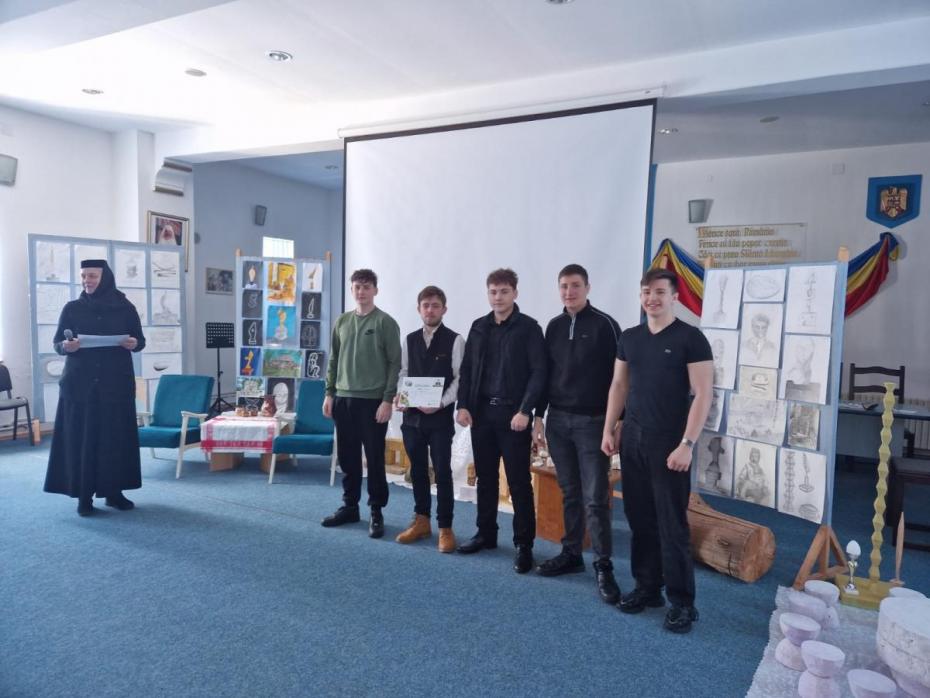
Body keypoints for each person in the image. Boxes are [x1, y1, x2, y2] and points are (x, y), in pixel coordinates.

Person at [601, 268, 713, 633]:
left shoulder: (691, 338)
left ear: (675, 297)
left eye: (660, 292)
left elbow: (703, 394)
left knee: (671, 524)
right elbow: (619, 385)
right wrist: (609, 428)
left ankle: (683, 602)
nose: (652, 298)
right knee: (640, 519)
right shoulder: (630, 337)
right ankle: (647, 587)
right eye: (647, 292)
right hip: (633, 439)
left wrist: (687, 444)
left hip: (670, 443)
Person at [533, 264, 622, 604]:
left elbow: (620, 378)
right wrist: (538, 416)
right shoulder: (554, 327)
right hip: (558, 421)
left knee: (595, 497)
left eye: (575, 285)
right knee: (569, 492)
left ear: (587, 288)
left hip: (593, 423)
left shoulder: (605, 325)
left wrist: (617, 422)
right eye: (564, 286)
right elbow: (545, 375)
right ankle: (572, 553)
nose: (569, 292)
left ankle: (603, 565)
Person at [456, 268, 546, 573]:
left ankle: (524, 544)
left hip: (513, 417)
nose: (498, 297)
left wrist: (526, 410)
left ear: (515, 293)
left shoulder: (529, 328)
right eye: (493, 292)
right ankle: (486, 534)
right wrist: (463, 405)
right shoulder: (479, 327)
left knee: (519, 482)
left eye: (504, 291)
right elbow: (467, 370)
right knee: (485, 478)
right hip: (481, 414)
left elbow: (539, 373)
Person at [44, 260, 146, 516]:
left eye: (92, 276)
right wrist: (66, 347)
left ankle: (114, 492)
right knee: (84, 440)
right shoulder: (72, 308)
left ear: (105, 278)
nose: (86, 281)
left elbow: (140, 340)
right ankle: (84, 497)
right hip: (80, 385)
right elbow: (57, 343)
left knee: (114, 440)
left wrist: (134, 343)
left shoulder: (125, 307)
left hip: (115, 384)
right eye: (83, 276)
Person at [322, 269, 401, 538]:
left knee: (375, 458)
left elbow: (394, 364)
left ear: (375, 290)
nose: (361, 292)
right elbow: (333, 359)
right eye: (357, 287)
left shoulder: (385, 323)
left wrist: (387, 400)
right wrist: (329, 393)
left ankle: (376, 511)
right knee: (348, 457)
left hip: (373, 402)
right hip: (343, 399)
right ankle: (350, 506)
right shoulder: (342, 322)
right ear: (351, 290)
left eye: (366, 287)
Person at [393, 286, 465, 553]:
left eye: (435, 305)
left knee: (443, 472)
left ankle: (445, 528)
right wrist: (402, 396)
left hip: (440, 419)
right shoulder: (410, 339)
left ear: (444, 309)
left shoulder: (455, 340)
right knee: (418, 470)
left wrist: (441, 403)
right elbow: (403, 373)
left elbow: (460, 378)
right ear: (419, 309)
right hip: (412, 418)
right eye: (426, 305)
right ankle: (421, 521)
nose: (430, 310)